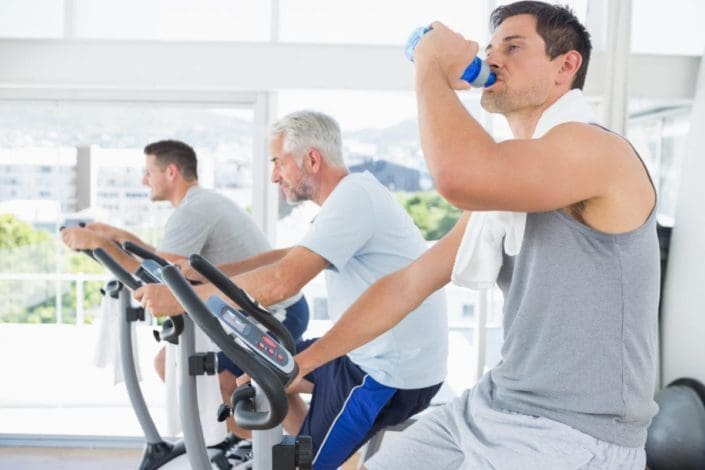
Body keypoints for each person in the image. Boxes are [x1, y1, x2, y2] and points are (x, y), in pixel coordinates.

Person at [280, 3, 660, 469]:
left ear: (567, 65)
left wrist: (430, 65)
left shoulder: (594, 149)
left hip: (573, 433)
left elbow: (459, 176)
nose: (494, 58)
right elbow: (408, 284)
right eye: (491, 47)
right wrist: (306, 361)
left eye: (514, 47)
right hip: (492, 405)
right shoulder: (514, 178)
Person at [135, 111, 449, 469]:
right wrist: (205, 273)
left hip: (386, 374)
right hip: (364, 354)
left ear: (311, 159)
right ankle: (298, 450)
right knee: (256, 373)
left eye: (278, 163)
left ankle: (306, 459)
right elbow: (290, 255)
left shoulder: (354, 198)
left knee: (295, 453)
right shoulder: (350, 197)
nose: (273, 176)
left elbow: (281, 282)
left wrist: (182, 299)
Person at [60, 139, 309, 424]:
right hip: (263, 308)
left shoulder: (192, 211)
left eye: (149, 172)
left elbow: (158, 278)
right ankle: (296, 450)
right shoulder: (200, 202)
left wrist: (99, 245)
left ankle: (247, 451)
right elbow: (168, 265)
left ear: (171, 172)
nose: (144, 180)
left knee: (192, 370)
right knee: (266, 385)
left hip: (275, 311)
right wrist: (118, 237)